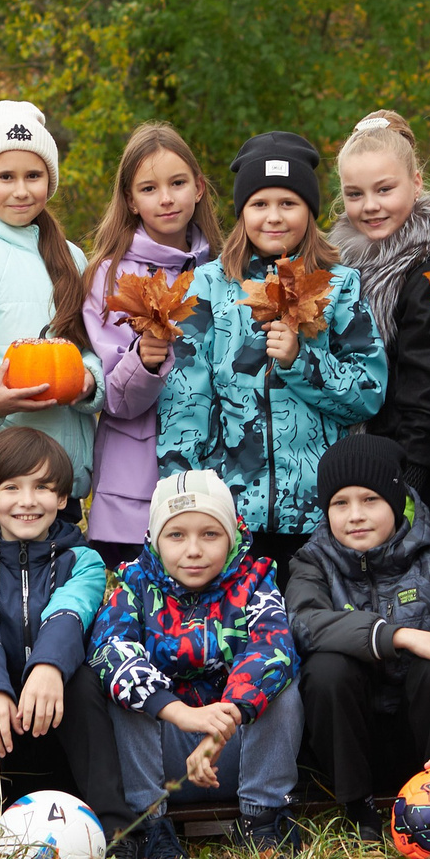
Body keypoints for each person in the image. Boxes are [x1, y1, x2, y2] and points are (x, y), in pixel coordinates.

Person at [157, 132, 387, 574]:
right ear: (242, 212)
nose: (274, 217)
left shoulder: (339, 286)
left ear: (311, 211)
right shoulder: (207, 287)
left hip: (321, 515)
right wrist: (189, 498)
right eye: (260, 204)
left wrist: (300, 361)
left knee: (313, 631)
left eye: (289, 203)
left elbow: (369, 392)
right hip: (231, 513)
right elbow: (186, 401)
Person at [287, 435, 430, 840]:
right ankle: (358, 809)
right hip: (347, 745)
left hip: (425, 740)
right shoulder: (311, 562)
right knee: (327, 667)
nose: (355, 515)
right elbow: (304, 623)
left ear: (396, 499)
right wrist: (398, 636)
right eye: (340, 503)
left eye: (370, 499)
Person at [90, 469, 304, 859]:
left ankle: (264, 817)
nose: (193, 550)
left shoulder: (254, 583)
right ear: (155, 540)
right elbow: (111, 650)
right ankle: (148, 826)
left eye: (210, 534)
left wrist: (224, 720)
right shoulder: (133, 586)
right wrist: (184, 715)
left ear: (231, 536)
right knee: (124, 693)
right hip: (167, 751)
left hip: (236, 749)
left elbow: (271, 648)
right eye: (177, 535)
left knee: (282, 684)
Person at [0, 430, 124, 826]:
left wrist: (49, 667)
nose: (27, 501)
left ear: (62, 498)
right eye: (11, 487)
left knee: (84, 680)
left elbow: (68, 615)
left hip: (58, 719)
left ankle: (115, 831)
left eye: (42, 487)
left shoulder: (84, 560)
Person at [0, 100, 105, 532]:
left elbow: (91, 348)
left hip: (60, 475)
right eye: (5, 177)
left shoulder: (70, 257)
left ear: (49, 181)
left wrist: (88, 382)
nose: (20, 190)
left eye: (33, 176)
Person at [80, 122, 223, 564]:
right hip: (134, 488)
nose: (166, 198)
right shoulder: (110, 277)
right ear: (130, 200)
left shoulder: (223, 273)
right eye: (149, 187)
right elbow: (115, 399)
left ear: (198, 188)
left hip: (208, 475)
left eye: (178, 183)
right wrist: (143, 361)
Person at [330, 110, 430, 529]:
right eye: (354, 194)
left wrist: (408, 481)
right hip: (353, 468)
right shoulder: (341, 265)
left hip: (405, 469)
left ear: (417, 183)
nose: (370, 206)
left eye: (385, 190)